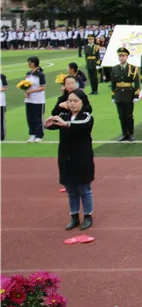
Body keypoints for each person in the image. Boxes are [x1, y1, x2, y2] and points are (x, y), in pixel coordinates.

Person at [44, 89, 95, 231]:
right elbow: (53, 123)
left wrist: (65, 124)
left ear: (82, 102)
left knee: (84, 189)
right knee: (71, 190)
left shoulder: (86, 116)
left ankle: (87, 216)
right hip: (65, 157)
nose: (72, 104)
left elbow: (82, 125)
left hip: (82, 158)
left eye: (75, 101)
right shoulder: (64, 115)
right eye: (69, 101)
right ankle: (74, 216)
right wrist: (47, 124)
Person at [110, 47, 140, 142]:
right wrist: (113, 95)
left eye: (123, 56)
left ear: (127, 56)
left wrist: (136, 95)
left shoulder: (133, 68)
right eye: (120, 56)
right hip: (119, 94)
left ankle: (130, 133)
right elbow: (113, 83)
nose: (121, 58)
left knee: (129, 116)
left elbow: (136, 83)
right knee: (121, 116)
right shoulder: (115, 68)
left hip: (128, 94)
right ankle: (124, 134)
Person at [24, 56, 47, 143]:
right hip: (29, 99)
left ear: (34, 63)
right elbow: (25, 84)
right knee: (30, 118)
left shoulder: (40, 74)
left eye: (29, 62)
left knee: (38, 118)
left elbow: (43, 87)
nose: (28, 64)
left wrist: (31, 91)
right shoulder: (28, 73)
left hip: (38, 99)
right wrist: (26, 91)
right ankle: (32, 134)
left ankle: (39, 135)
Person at [0, 73, 7, 141]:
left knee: (1, 120)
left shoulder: (2, 76)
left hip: (1, 102)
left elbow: (5, 87)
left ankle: (2, 136)